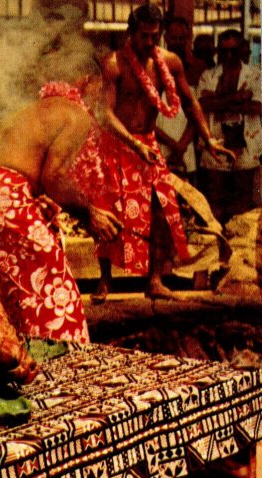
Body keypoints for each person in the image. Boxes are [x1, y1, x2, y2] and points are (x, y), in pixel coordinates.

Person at [0, 73, 122, 345]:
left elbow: (27, 169)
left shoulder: (36, 110)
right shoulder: (77, 115)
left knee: (4, 297)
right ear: (91, 83)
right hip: (1, 196)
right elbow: (53, 177)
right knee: (54, 291)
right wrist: (91, 214)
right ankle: (63, 372)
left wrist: (38, 197)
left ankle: (10, 362)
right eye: (110, 87)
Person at [94, 4, 234, 302]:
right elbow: (104, 113)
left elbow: (189, 101)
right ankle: (104, 282)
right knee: (107, 211)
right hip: (116, 143)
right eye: (144, 36)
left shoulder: (169, 62)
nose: (150, 43)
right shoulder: (114, 63)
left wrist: (207, 139)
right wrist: (135, 145)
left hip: (148, 145)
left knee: (162, 209)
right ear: (131, 33)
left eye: (154, 36)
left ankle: (154, 280)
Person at [196, 29, 262, 224]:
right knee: (214, 206)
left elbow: (257, 107)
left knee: (243, 206)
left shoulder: (255, 76)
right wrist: (238, 97)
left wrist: (218, 100)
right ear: (218, 51)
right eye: (224, 51)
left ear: (242, 49)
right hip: (216, 146)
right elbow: (203, 106)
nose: (229, 55)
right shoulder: (208, 76)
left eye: (233, 50)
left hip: (246, 148)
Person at [155, 17, 204, 182]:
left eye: (181, 38)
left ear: (187, 38)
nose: (177, 42)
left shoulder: (198, 68)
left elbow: (196, 110)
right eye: (174, 38)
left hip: (187, 153)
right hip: (159, 151)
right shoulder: (153, 65)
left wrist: (181, 146)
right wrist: (173, 145)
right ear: (166, 37)